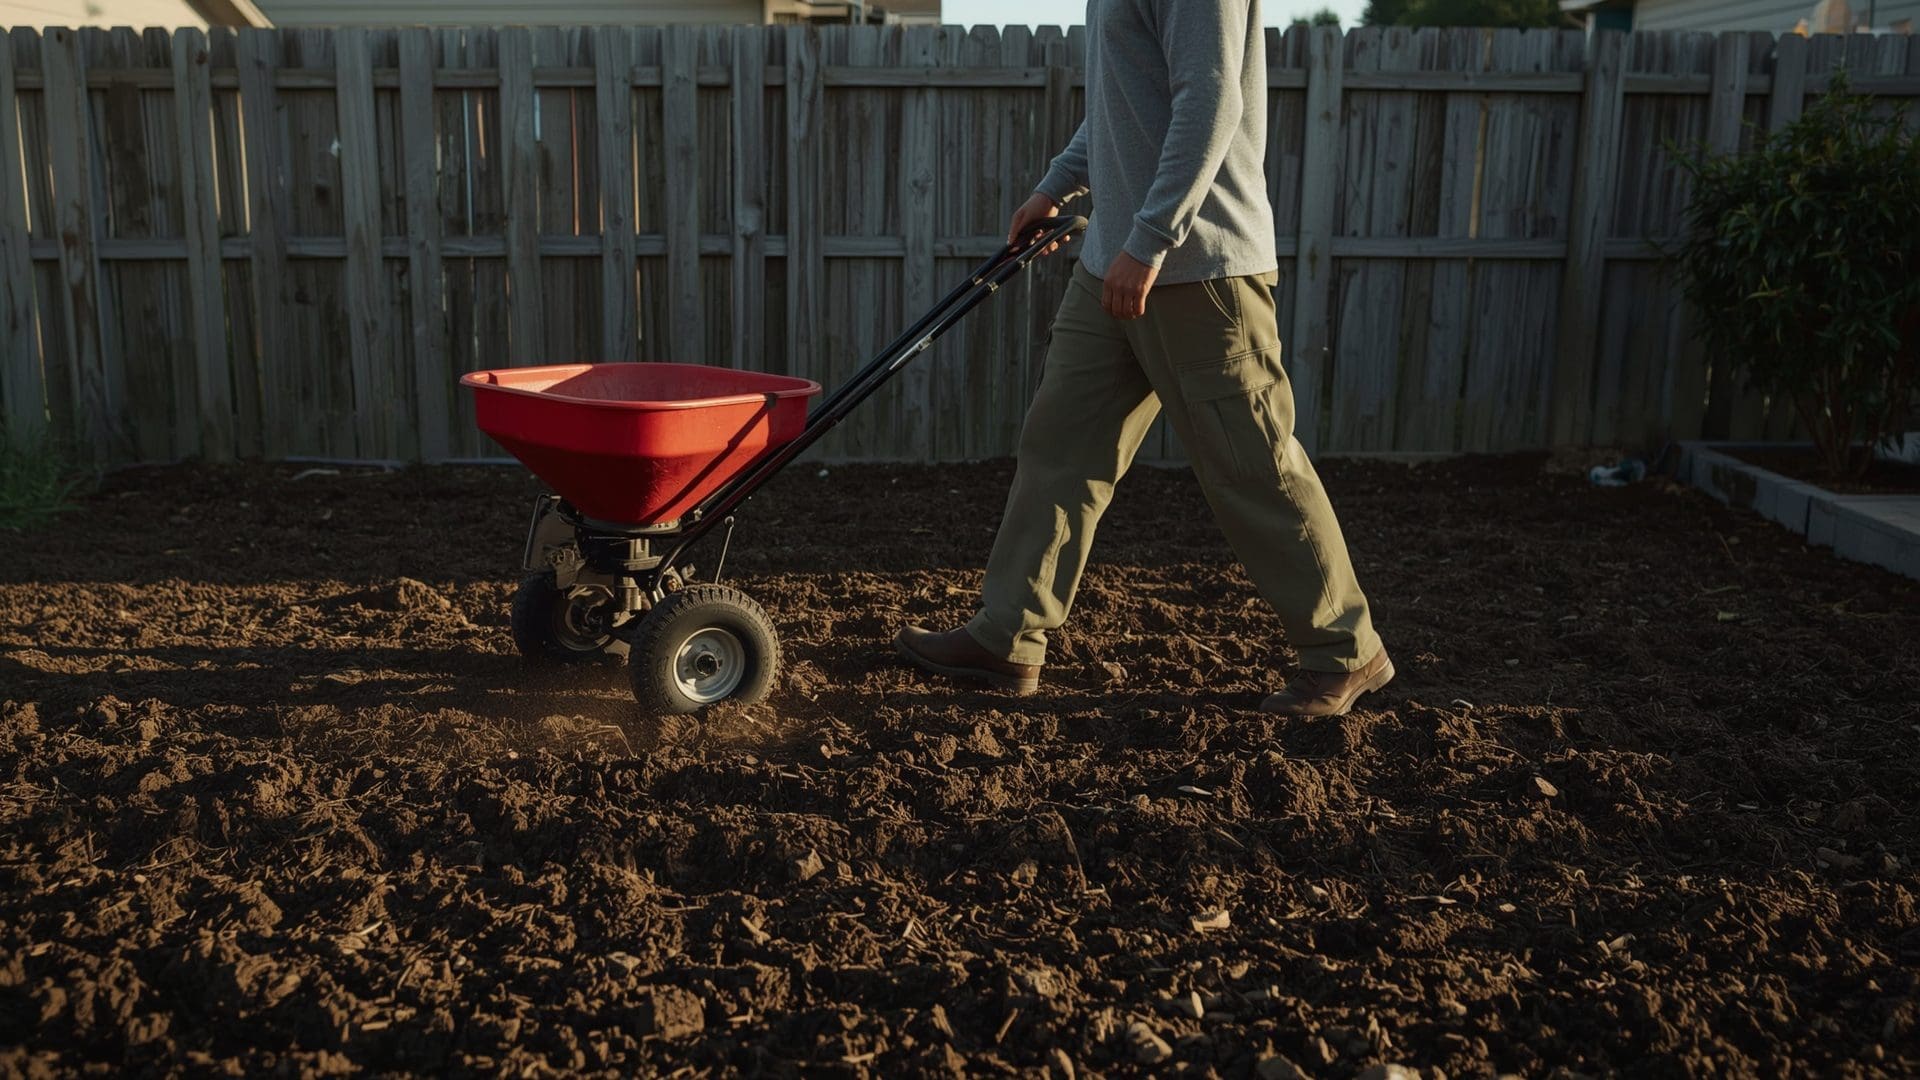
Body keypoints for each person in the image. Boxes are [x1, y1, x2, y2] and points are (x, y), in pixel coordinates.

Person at [895, 0, 1392, 717]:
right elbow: (1127, 102)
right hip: (1115, 262)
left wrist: (1152, 238)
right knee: (1061, 445)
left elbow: (1210, 100)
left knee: (1252, 462)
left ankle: (1345, 650)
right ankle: (1008, 637)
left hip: (1199, 270)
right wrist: (1056, 184)